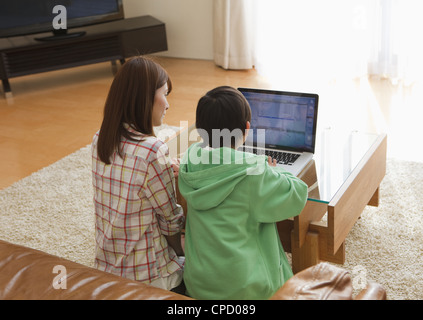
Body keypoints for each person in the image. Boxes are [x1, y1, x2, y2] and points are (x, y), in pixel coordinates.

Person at [178, 86, 308, 299]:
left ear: (200, 129)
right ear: (247, 129)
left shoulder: (190, 161)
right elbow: (296, 196)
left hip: (198, 286)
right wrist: (276, 171)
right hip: (246, 292)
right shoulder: (254, 172)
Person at [91, 55, 185, 292]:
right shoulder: (153, 150)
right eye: (164, 94)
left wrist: (162, 168)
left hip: (107, 270)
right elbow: (170, 223)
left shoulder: (100, 138)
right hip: (149, 277)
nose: (167, 104)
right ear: (144, 98)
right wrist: (186, 249)